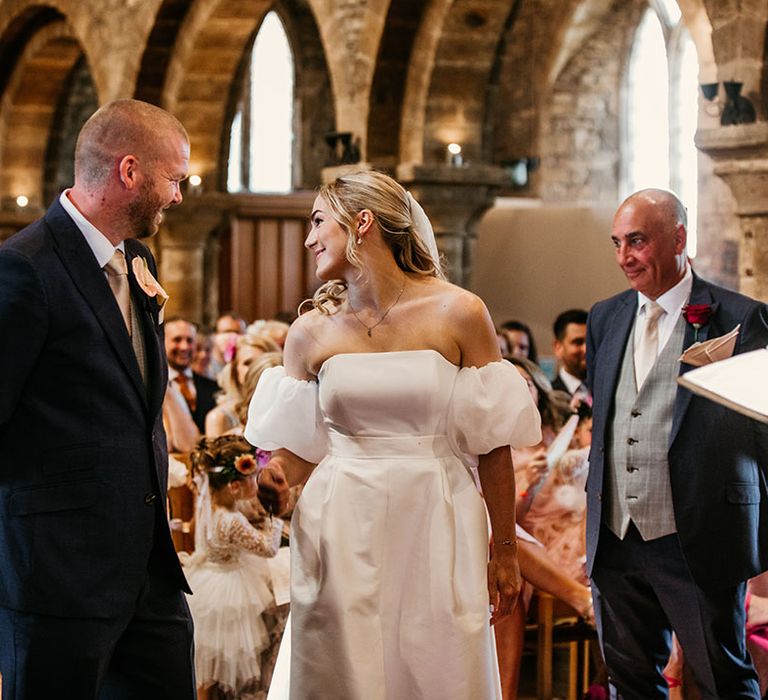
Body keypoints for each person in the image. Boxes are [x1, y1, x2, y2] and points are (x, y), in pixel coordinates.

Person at [245, 170, 541, 699]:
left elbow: (492, 447)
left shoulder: (459, 311)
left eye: (318, 222)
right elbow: (298, 453)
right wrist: (273, 479)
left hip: (437, 513)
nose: (309, 239)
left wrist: (504, 551)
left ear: (362, 223)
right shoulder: (311, 330)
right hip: (340, 520)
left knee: (435, 665)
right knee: (339, 666)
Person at [0, 99, 195, 698]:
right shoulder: (24, 269)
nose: (180, 196)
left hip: (148, 567)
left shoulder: (137, 259)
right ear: (129, 171)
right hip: (57, 572)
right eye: (174, 179)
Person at [586, 188, 768, 699]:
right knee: (630, 682)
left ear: (679, 238)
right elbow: (611, 418)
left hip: (700, 536)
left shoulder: (740, 319)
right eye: (617, 243)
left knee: (722, 680)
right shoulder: (605, 317)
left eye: (638, 241)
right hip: (616, 538)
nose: (625, 257)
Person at [184, 435, 283, 699]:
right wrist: (277, 518)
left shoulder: (210, 509)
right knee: (224, 661)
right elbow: (268, 549)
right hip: (229, 593)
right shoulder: (233, 520)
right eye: (252, 476)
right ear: (235, 487)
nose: (257, 479)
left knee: (208, 666)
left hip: (208, 580)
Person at [165, 316, 220, 434]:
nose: (184, 347)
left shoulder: (214, 388)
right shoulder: (153, 386)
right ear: (162, 341)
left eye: (190, 341)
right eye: (177, 340)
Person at [550, 309, 590, 403]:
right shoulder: (548, 396)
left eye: (590, 341)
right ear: (558, 348)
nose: (586, 349)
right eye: (578, 342)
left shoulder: (606, 389)